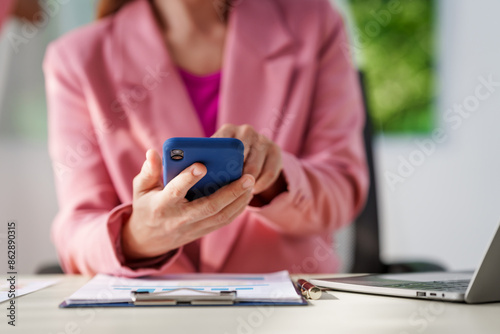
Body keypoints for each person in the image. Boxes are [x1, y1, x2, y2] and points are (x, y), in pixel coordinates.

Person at [44, 0, 368, 277]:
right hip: (149, 315)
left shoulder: (315, 24)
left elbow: (343, 188)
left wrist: (275, 177)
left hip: (289, 309)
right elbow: (77, 230)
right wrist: (138, 237)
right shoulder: (76, 58)